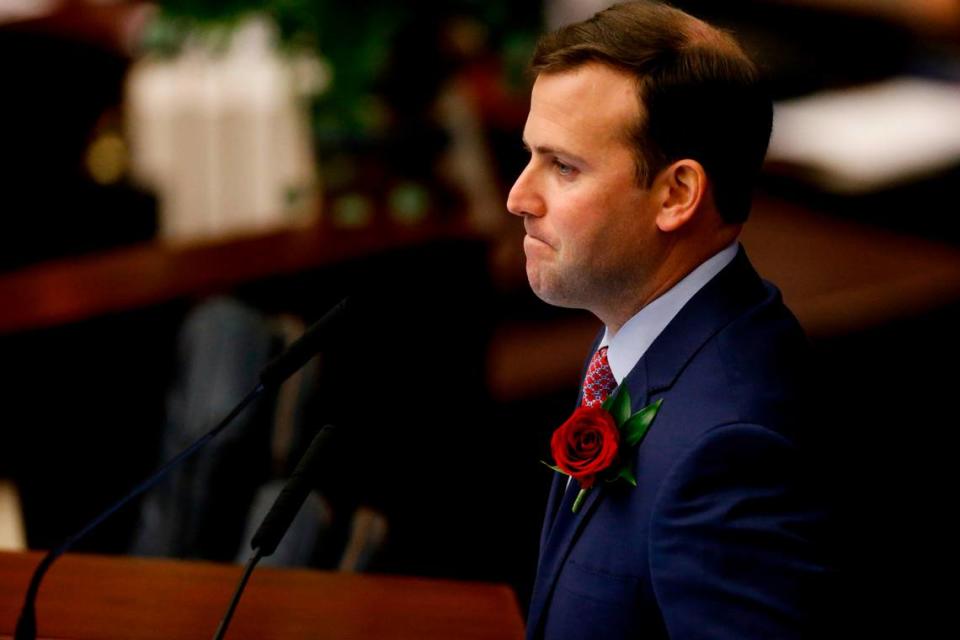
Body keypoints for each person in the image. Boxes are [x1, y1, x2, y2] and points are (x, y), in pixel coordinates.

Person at [506, 2, 833, 638]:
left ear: (677, 194)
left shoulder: (729, 449)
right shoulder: (641, 338)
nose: (519, 198)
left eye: (563, 166)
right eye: (529, 156)